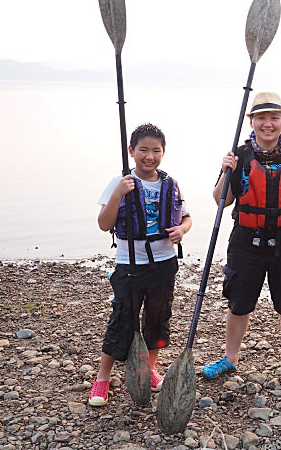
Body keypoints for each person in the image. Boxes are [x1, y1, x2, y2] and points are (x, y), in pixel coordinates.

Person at [200, 92, 281, 386]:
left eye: (274, 118)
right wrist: (225, 171)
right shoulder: (238, 157)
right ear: (251, 122)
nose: (268, 124)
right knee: (239, 302)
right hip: (246, 242)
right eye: (262, 118)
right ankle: (230, 358)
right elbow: (222, 201)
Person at [88, 123, 192, 406]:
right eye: (143, 150)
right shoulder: (120, 182)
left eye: (156, 151)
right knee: (122, 320)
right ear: (131, 151)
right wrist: (119, 194)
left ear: (163, 153)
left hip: (164, 263)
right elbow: (103, 224)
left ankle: (149, 369)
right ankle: (102, 378)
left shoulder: (171, 183)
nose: (149, 156)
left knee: (157, 321)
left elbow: (186, 217)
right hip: (130, 263)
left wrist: (182, 230)